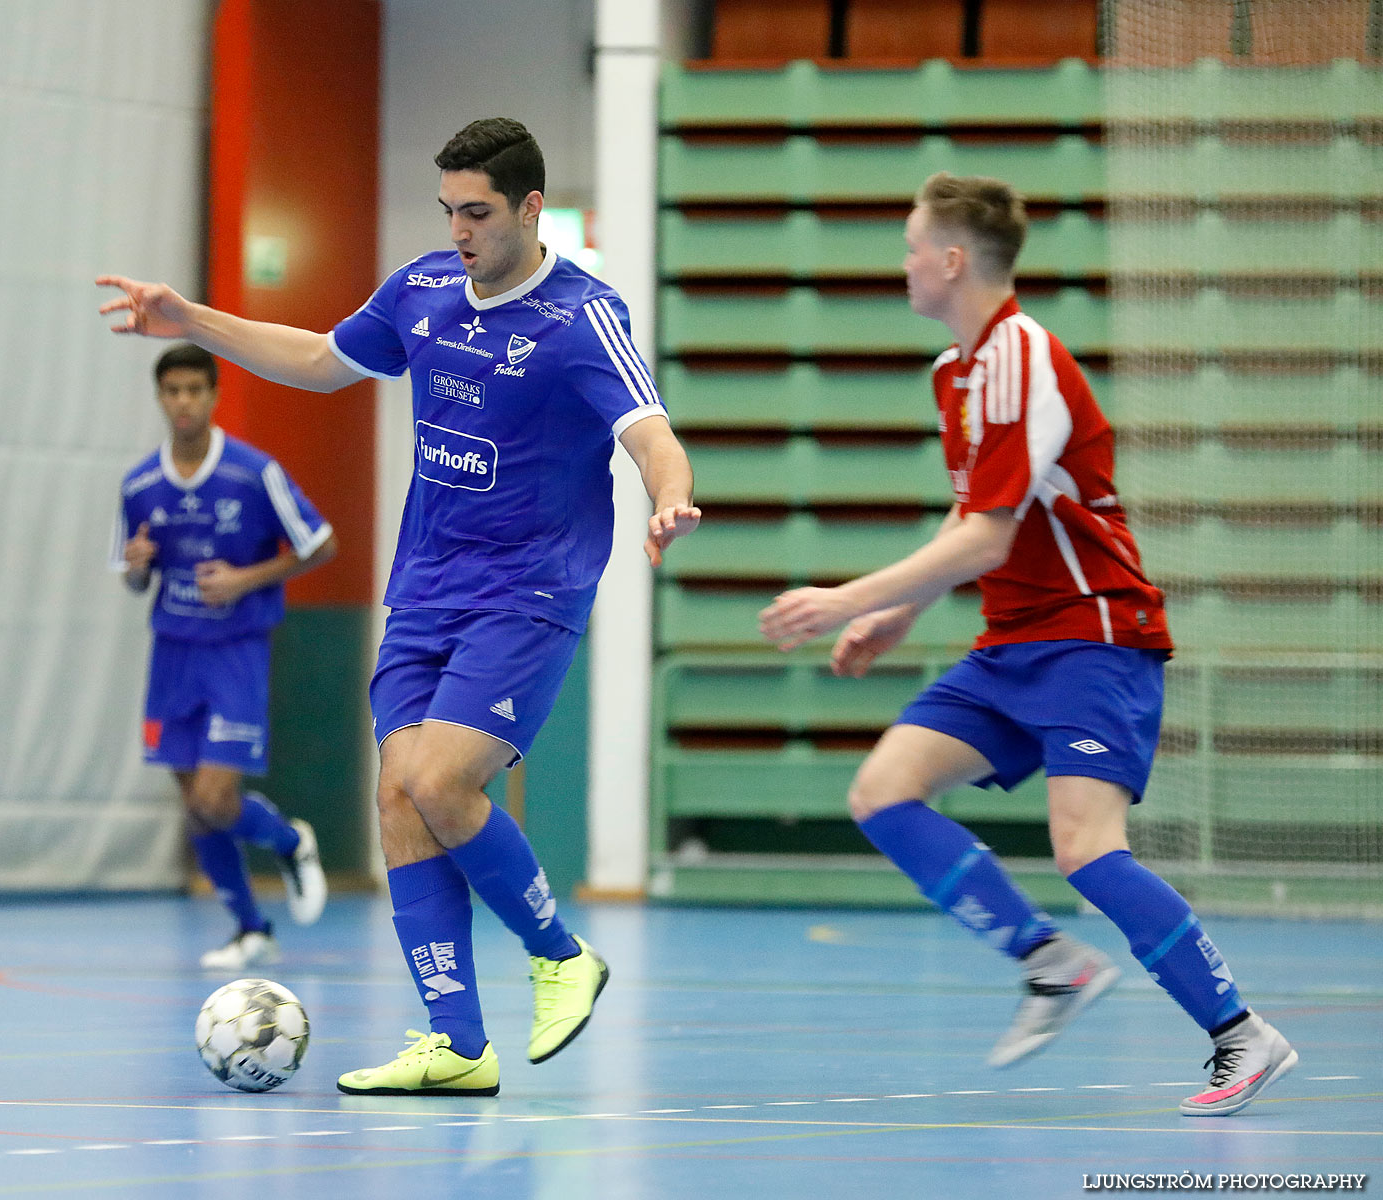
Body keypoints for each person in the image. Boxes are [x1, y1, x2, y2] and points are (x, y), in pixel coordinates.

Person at [99, 118, 699, 1096]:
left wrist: (671, 495)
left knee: (442, 780)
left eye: (479, 212)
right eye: (449, 211)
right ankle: (456, 1042)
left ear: (530, 209)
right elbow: (322, 358)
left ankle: (559, 954)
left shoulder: (580, 318)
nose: (459, 230)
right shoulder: (421, 288)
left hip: (528, 588)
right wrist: (195, 319)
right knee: (397, 794)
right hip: (425, 588)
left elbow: (648, 431)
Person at [759, 172, 1296, 1117]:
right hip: (1012, 641)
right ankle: (1050, 961)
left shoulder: (1021, 358)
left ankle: (1240, 1033)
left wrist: (847, 598)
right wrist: (901, 614)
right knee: (884, 791)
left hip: (1093, 635)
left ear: (953, 260)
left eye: (912, 246)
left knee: (1086, 849)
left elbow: (989, 534)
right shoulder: (955, 374)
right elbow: (978, 519)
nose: (905, 263)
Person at [115, 344, 336, 971]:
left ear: (212, 397)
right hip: (173, 653)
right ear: (160, 399)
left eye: (194, 390)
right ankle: (249, 927)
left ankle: (291, 842)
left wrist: (247, 578)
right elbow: (134, 578)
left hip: (237, 650)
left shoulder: (252, 472)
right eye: (172, 391)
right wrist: (136, 569)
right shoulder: (139, 484)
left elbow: (320, 543)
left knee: (216, 799)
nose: (183, 401)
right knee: (195, 806)